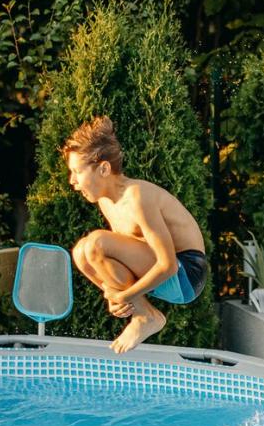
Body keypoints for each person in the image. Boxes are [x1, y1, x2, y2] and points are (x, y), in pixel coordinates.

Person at [62, 116, 207, 353]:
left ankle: (144, 317)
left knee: (95, 243)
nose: (72, 181)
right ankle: (144, 312)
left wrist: (125, 295)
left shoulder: (137, 197)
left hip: (186, 273)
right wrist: (115, 294)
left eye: (77, 172)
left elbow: (168, 265)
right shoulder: (106, 202)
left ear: (104, 168)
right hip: (159, 273)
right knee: (81, 253)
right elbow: (118, 258)